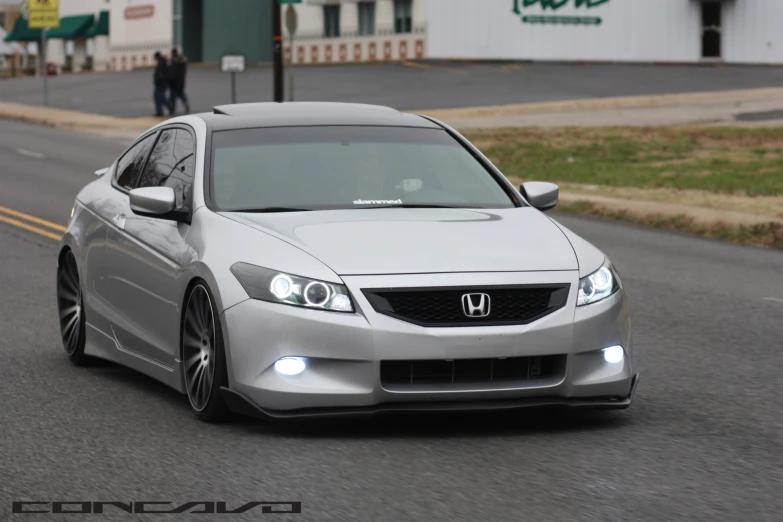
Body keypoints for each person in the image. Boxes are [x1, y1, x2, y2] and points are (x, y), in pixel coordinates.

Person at [169, 49, 190, 114]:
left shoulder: (175, 62)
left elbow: (173, 73)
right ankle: (185, 105)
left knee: (173, 97)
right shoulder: (181, 63)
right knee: (181, 95)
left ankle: (172, 109)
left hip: (175, 83)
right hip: (180, 83)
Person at [153, 52, 173, 117]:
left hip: (160, 84)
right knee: (161, 98)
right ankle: (169, 107)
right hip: (161, 84)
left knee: (158, 98)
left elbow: (161, 74)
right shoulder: (163, 62)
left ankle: (160, 112)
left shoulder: (161, 63)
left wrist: (160, 80)